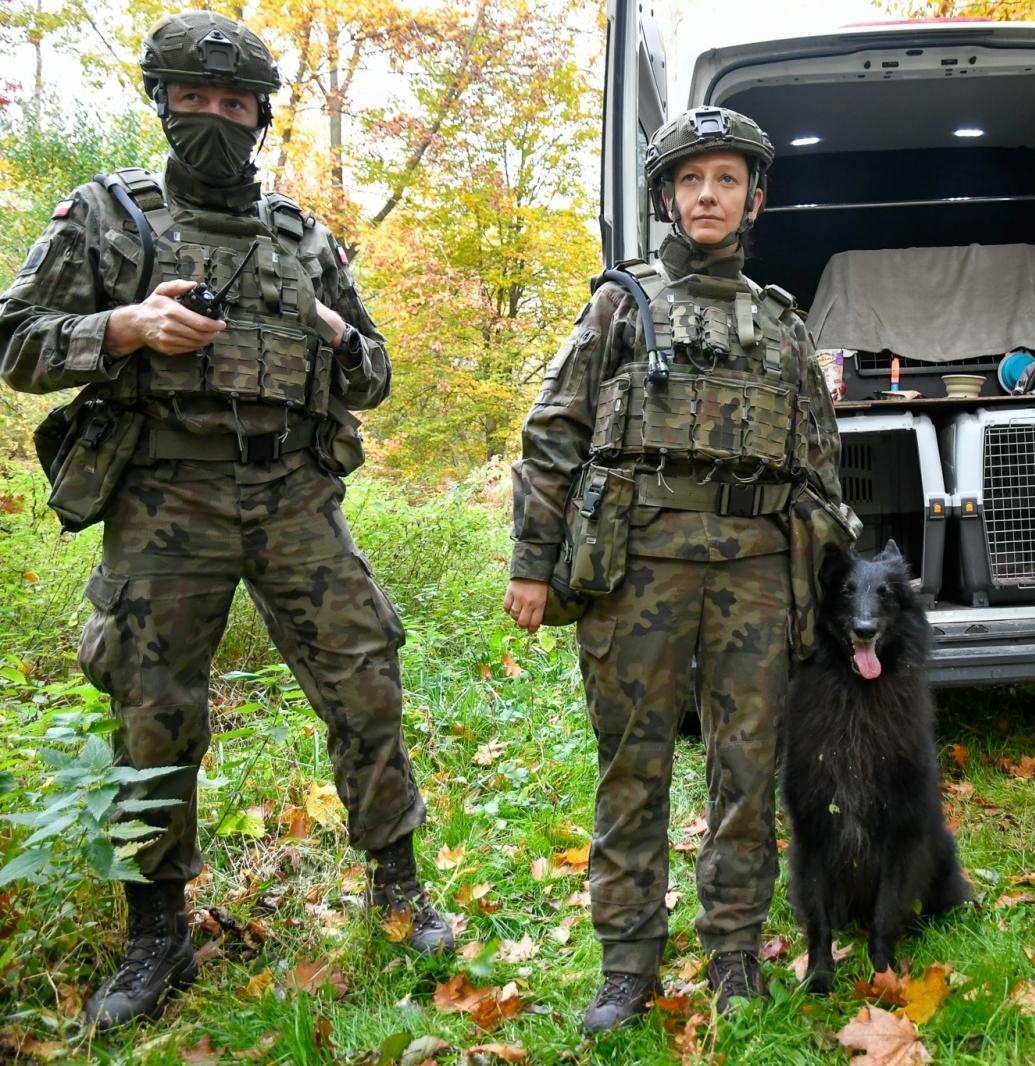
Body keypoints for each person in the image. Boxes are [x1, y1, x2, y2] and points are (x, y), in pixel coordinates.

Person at [0, 11, 453, 1030]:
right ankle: (156, 931)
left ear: (259, 116)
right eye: (192, 100)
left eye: (232, 103)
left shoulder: (303, 238)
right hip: (167, 499)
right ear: (161, 102)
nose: (212, 117)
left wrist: (340, 336)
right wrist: (123, 326)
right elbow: (13, 340)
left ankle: (397, 887)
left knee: (364, 679)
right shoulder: (106, 219)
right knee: (153, 713)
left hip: (294, 495)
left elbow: (374, 376)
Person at [505, 106, 849, 1032]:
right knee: (634, 765)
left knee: (747, 768)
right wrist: (532, 565)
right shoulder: (624, 305)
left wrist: (827, 591)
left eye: (727, 179)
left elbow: (820, 469)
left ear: (754, 198)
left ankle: (734, 947)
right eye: (692, 180)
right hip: (638, 575)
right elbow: (553, 438)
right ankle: (627, 964)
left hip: (755, 578)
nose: (708, 195)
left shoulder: (782, 326)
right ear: (667, 194)